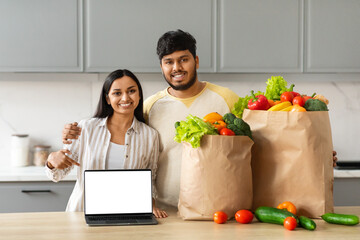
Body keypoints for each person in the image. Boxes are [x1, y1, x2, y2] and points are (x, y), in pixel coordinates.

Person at [58, 30, 338, 209]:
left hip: (216, 207)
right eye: (169, 61)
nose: (176, 67)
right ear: (162, 66)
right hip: (164, 209)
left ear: (196, 61)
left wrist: (312, 153)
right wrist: (73, 133)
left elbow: (266, 143)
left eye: (184, 59)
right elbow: (124, 142)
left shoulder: (226, 98)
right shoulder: (151, 106)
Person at [45, 69, 168, 218]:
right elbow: (57, 175)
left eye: (131, 91)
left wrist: (151, 205)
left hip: (128, 215)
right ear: (108, 98)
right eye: (117, 93)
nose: (125, 98)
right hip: (83, 214)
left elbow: (150, 179)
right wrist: (52, 161)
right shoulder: (86, 129)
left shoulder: (150, 136)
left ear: (139, 94)